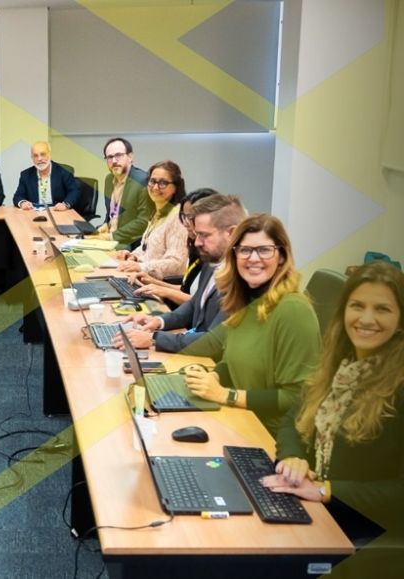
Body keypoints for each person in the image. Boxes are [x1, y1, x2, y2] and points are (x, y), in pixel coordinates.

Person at [262, 262, 403, 546]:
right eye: (357, 306)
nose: (366, 319)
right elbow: (293, 419)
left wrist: (327, 490)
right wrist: (292, 457)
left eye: (382, 309)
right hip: (316, 507)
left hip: (362, 531)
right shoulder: (339, 366)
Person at [182, 214, 321, 435]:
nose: (253, 258)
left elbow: (297, 396)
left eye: (264, 250)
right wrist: (214, 376)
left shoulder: (293, 309)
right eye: (245, 250)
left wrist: (225, 395)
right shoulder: (245, 301)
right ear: (234, 255)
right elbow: (232, 362)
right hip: (240, 419)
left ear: (282, 257)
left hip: (270, 437)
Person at [114, 193, 246, 353]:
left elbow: (214, 342)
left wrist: (153, 339)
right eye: (197, 234)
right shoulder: (213, 260)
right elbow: (194, 305)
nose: (197, 242)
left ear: (231, 233)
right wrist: (159, 321)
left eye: (204, 235)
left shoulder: (243, 278)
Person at [127, 188, 219, 306]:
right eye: (184, 216)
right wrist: (152, 282)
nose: (185, 223)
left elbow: (201, 304)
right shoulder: (195, 247)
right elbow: (186, 290)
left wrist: (165, 291)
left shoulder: (215, 257)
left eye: (190, 217)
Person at [115, 161, 189, 280]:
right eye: (152, 181)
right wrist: (133, 256)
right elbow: (147, 248)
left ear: (175, 187)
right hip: (143, 278)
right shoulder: (157, 212)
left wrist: (142, 266)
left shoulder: (178, 218)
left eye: (163, 183)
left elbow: (176, 263)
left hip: (159, 284)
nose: (155, 187)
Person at [97, 137, 152, 247]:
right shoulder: (108, 179)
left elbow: (143, 222)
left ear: (130, 157)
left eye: (118, 155)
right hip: (110, 238)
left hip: (130, 243)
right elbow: (111, 212)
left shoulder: (143, 181)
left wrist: (112, 236)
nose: (114, 161)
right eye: (109, 157)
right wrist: (106, 224)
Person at [12, 141, 80, 211]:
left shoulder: (64, 172)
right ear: (32, 158)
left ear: (49, 155)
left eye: (43, 154)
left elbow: (74, 191)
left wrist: (65, 205)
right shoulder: (26, 175)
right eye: (35, 156)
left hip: (57, 211)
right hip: (34, 211)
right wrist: (23, 203)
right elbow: (18, 196)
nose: (39, 159)